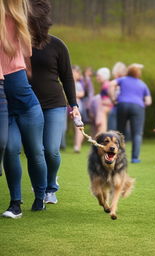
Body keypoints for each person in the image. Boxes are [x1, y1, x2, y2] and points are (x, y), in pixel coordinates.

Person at [28, 0, 80, 203]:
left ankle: (51, 186)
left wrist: (74, 104)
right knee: (35, 151)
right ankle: (41, 187)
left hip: (55, 105)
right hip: (28, 105)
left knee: (51, 150)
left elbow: (67, 77)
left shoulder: (57, 45)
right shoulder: (20, 44)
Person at [1, 0, 48, 218]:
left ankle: (41, 196)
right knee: (10, 151)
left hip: (28, 106)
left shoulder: (17, 21)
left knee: (35, 153)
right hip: (5, 107)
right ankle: (15, 203)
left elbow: (27, 52)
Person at [109, 64, 152, 163]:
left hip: (122, 104)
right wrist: (141, 105)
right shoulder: (142, 84)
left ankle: (119, 155)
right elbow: (149, 101)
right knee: (137, 133)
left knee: (120, 131)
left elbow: (111, 84)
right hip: (138, 107)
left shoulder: (123, 79)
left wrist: (113, 99)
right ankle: (135, 158)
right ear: (138, 74)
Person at [72, 65, 84, 153]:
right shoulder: (64, 83)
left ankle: (77, 146)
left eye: (74, 72)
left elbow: (82, 94)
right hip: (66, 106)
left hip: (77, 107)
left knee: (78, 126)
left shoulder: (79, 84)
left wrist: (72, 95)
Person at [96, 67, 113, 133]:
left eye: (98, 76)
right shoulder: (105, 84)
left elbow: (112, 99)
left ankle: (102, 136)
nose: (97, 77)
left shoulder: (107, 85)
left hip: (106, 108)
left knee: (101, 125)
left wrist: (102, 102)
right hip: (104, 108)